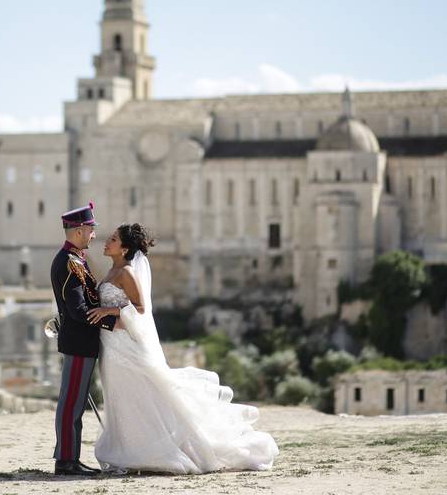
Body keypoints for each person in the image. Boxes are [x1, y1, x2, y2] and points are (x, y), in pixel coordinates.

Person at [88, 223, 279, 474]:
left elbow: (141, 310)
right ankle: (131, 451)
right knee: (123, 398)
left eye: (113, 239)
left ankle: (150, 453)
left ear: (124, 248)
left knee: (141, 395)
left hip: (126, 347)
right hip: (111, 346)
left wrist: (109, 310)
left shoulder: (126, 273)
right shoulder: (112, 271)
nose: (106, 241)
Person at [50, 201, 116, 477]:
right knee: (71, 404)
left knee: (73, 403)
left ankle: (69, 457)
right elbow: (77, 310)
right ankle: (66, 461)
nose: (93, 235)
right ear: (78, 231)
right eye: (90, 230)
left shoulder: (75, 259)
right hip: (79, 342)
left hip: (81, 343)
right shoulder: (68, 262)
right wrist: (113, 321)